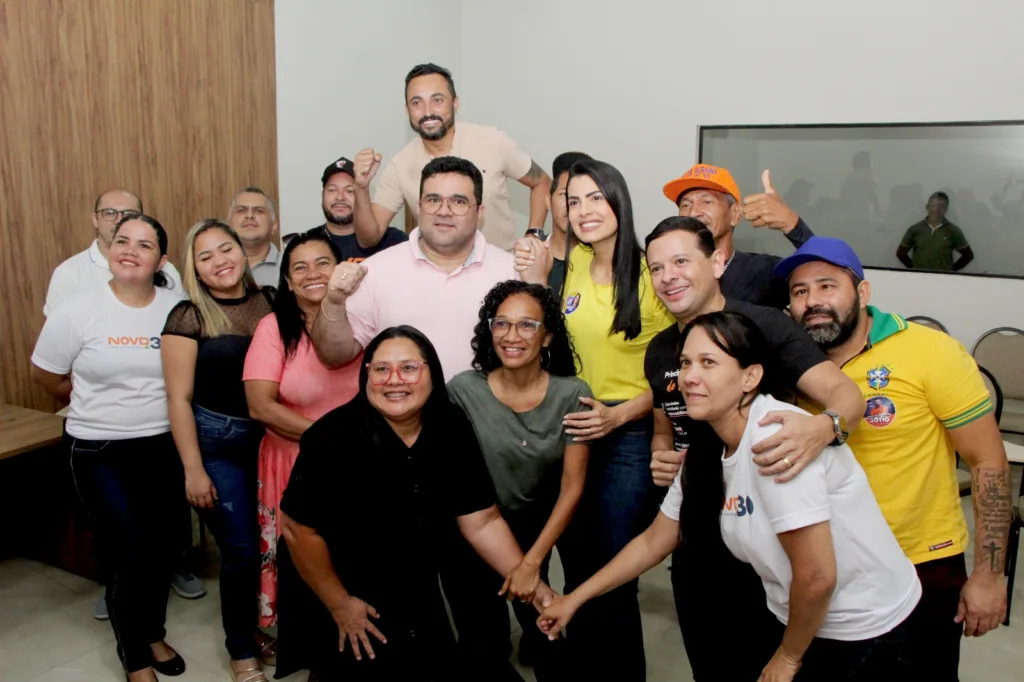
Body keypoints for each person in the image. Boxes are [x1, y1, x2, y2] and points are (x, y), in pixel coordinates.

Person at [540, 311, 923, 681]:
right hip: (801, 621)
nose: (689, 377)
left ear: (750, 377)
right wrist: (574, 599)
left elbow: (817, 575)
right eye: (686, 363)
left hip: (863, 630)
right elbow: (654, 541)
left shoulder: (777, 438)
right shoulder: (709, 444)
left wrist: (788, 658)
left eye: (709, 362)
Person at [776, 236, 1012, 681]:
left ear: (862, 293)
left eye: (827, 286)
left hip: (921, 565)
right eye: (800, 291)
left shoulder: (930, 351)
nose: (813, 302)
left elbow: (988, 462)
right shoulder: (790, 366)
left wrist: (988, 575)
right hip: (824, 567)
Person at [640, 217, 866, 677]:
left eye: (681, 261)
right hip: (697, 543)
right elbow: (665, 425)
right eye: (657, 268)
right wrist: (659, 452)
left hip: (766, 542)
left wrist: (824, 429)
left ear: (718, 261)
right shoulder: (661, 349)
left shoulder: (764, 326)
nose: (669, 276)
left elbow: (847, 397)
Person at [277, 326, 555, 681]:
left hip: (420, 584)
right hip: (346, 589)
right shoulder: (332, 437)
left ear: (432, 374)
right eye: (381, 369)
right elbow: (298, 530)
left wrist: (534, 586)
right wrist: (340, 604)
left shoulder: (450, 425)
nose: (395, 380)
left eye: (409, 368)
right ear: (367, 376)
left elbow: (481, 519)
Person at [516, 158, 674, 680]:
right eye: (573, 200)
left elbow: (681, 373)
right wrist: (538, 279)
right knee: (577, 564)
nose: (583, 211)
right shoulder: (575, 264)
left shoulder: (655, 271)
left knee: (611, 574)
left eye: (595, 198)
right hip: (575, 429)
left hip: (628, 434)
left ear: (618, 202)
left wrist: (622, 415)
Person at [30, 215, 188, 682]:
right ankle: (134, 656)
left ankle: (154, 633)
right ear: (109, 250)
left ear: (161, 259)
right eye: (122, 241)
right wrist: (89, 403)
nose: (130, 250)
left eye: (144, 244)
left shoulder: (177, 307)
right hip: (100, 449)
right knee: (128, 551)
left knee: (162, 548)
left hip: (162, 443)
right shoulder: (79, 309)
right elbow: (45, 373)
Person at [446, 281, 591, 680]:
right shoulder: (462, 390)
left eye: (527, 325)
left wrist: (531, 564)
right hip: (470, 533)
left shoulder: (572, 393)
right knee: (481, 644)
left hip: (533, 529)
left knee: (546, 631)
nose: (512, 336)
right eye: (502, 324)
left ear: (546, 336)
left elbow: (572, 487)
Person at [161, 219, 276, 681]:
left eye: (225, 249)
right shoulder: (186, 316)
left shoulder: (269, 302)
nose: (219, 261)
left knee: (275, 545)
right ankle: (241, 648)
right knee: (243, 550)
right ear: (195, 268)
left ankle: (259, 624)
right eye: (204, 256)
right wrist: (193, 469)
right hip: (217, 444)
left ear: (242, 252)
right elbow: (177, 399)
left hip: (270, 437)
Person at [242, 232, 362, 629]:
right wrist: (326, 440)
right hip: (292, 460)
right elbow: (260, 406)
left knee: (352, 555)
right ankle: (306, 644)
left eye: (323, 263)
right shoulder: (273, 328)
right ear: (289, 282)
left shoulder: (364, 319)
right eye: (300, 267)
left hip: (357, 460)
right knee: (301, 560)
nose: (314, 274)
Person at [310, 156, 519, 379]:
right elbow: (333, 356)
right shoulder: (375, 271)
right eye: (433, 200)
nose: (444, 211)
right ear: (419, 208)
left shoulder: (510, 273)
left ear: (479, 212)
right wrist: (333, 302)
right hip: (402, 411)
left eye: (458, 201)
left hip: (485, 411)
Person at [355, 63, 551, 251]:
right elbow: (369, 238)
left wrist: (534, 234)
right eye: (417, 103)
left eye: (437, 100)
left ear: (455, 103)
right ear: (407, 109)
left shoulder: (493, 140)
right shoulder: (400, 165)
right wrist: (361, 188)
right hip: (437, 275)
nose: (428, 111)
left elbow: (542, 182)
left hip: (501, 272)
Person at [661, 164, 814, 309]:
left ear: (735, 214)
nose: (693, 212)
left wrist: (792, 225)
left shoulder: (761, 272)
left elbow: (825, 275)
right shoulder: (668, 274)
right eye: (685, 205)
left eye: (706, 201)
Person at [44, 189, 182, 316]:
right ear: (95, 220)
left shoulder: (166, 269)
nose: (119, 220)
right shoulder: (68, 273)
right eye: (109, 213)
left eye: (129, 214)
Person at [314, 156, 408, 262]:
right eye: (332, 190)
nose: (340, 197)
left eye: (350, 191)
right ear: (322, 195)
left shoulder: (393, 241)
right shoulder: (307, 242)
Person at [896, 191, 974, 271]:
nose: (937, 209)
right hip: (919, 280)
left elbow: (968, 255)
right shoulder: (915, 229)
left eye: (942, 206)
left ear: (946, 209)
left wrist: (951, 271)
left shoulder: (953, 231)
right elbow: (901, 253)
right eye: (934, 206)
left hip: (943, 280)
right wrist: (915, 269)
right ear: (927, 207)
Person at [228, 186, 283, 287]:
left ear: (274, 225)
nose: (249, 215)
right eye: (241, 210)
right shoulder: (216, 267)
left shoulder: (290, 267)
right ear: (229, 225)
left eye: (259, 211)